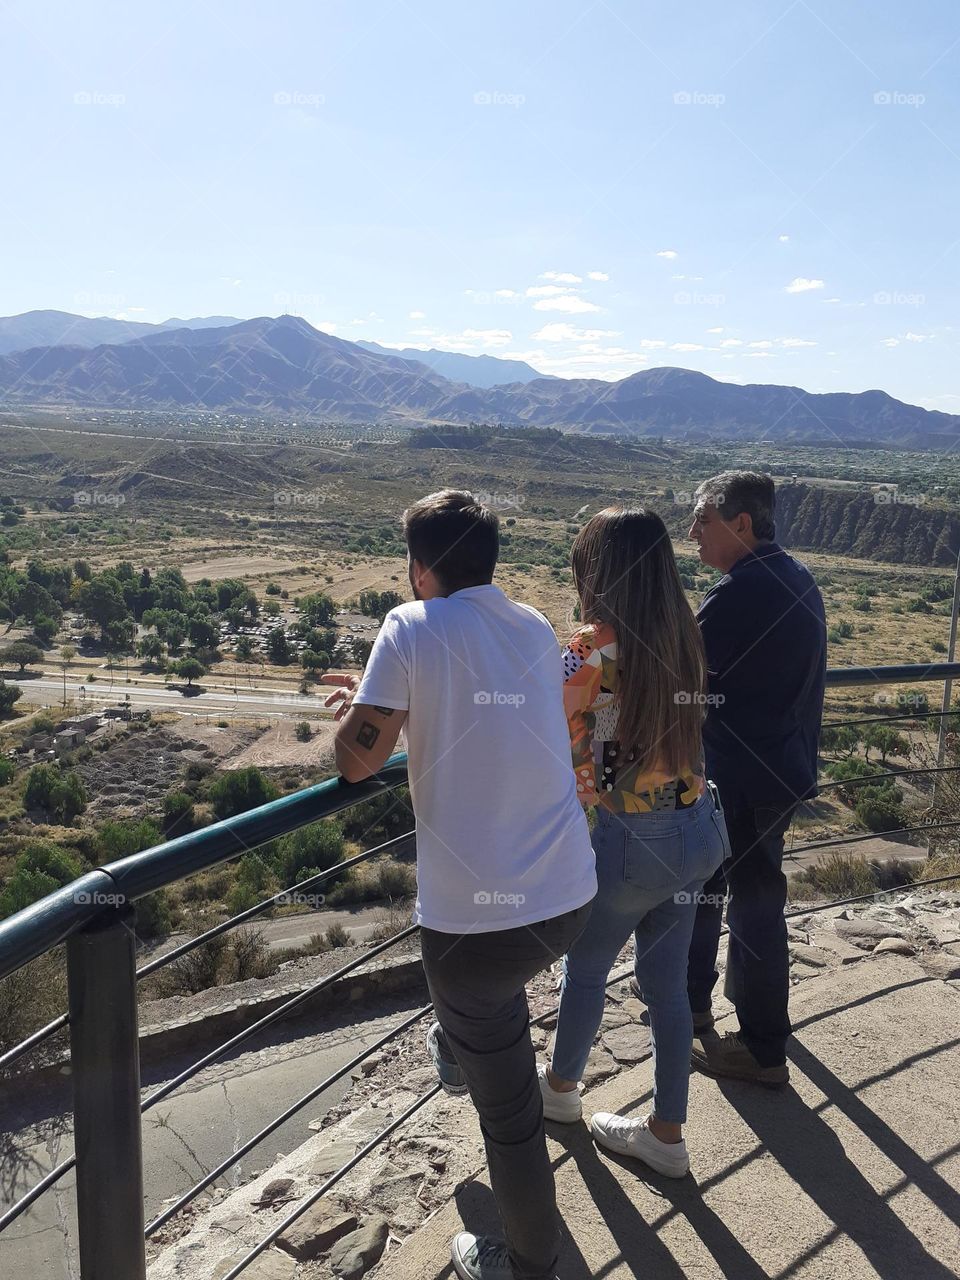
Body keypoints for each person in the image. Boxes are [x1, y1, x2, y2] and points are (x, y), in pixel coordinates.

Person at [326, 489, 596, 1280]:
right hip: (566, 896)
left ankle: (529, 1262)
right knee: (487, 1016)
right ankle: (460, 1049)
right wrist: (384, 707)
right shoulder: (535, 625)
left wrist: (357, 717)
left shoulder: (412, 624)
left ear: (419, 568)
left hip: (473, 929)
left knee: (508, 1117)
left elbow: (355, 761)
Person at [539, 507, 728, 1178]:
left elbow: (551, 735)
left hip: (629, 845)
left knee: (586, 969)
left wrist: (587, 790)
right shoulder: (684, 634)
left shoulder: (590, 647)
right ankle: (666, 1136)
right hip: (698, 831)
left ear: (597, 573)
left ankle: (561, 1096)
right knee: (667, 987)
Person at [685, 471, 826, 1086]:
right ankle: (706, 1007)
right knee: (738, 895)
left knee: (748, 906)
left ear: (740, 524)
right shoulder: (795, 578)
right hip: (781, 770)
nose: (691, 530)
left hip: (743, 780)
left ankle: (763, 1049)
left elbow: (679, 672)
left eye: (701, 518)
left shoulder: (741, 593)